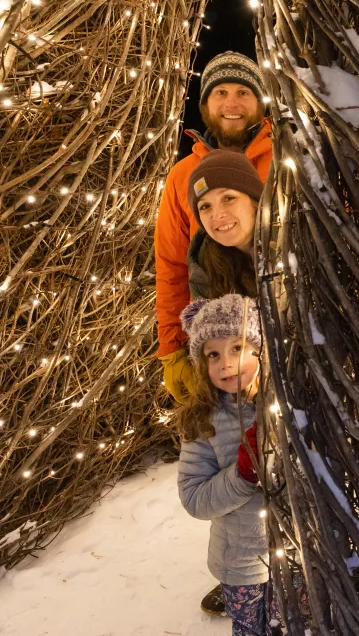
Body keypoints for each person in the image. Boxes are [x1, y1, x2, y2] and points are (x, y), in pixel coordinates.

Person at [156, 52, 272, 402]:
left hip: (288, 330)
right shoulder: (182, 176)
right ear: (205, 103)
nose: (231, 103)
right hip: (220, 346)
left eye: (243, 92)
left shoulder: (288, 158)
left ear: (261, 102)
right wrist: (172, 349)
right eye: (220, 92)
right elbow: (172, 266)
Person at [176, 294, 268, 625]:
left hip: (297, 557)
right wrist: (243, 475)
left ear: (261, 350)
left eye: (237, 348)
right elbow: (194, 498)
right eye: (213, 354)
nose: (225, 363)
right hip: (242, 567)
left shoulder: (284, 406)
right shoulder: (203, 422)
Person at [162, 149, 266, 401]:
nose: (217, 214)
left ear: (254, 200)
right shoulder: (206, 266)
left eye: (228, 198)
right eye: (205, 206)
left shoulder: (296, 246)